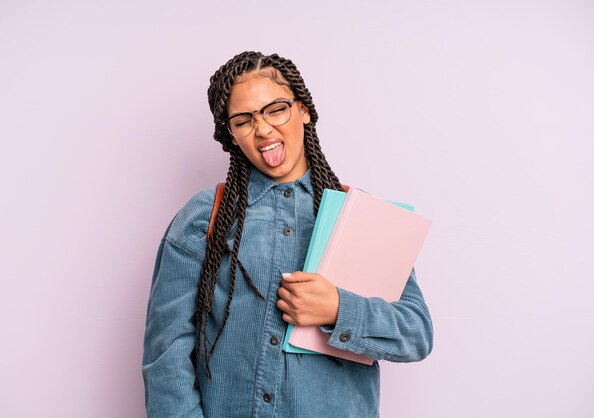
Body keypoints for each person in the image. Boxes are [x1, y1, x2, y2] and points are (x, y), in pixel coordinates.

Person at [142, 51, 433, 418]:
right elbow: (166, 354)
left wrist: (338, 309)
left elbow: (416, 333)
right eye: (243, 120)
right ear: (231, 135)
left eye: (275, 109)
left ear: (304, 110)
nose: (263, 129)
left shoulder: (361, 218)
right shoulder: (204, 218)